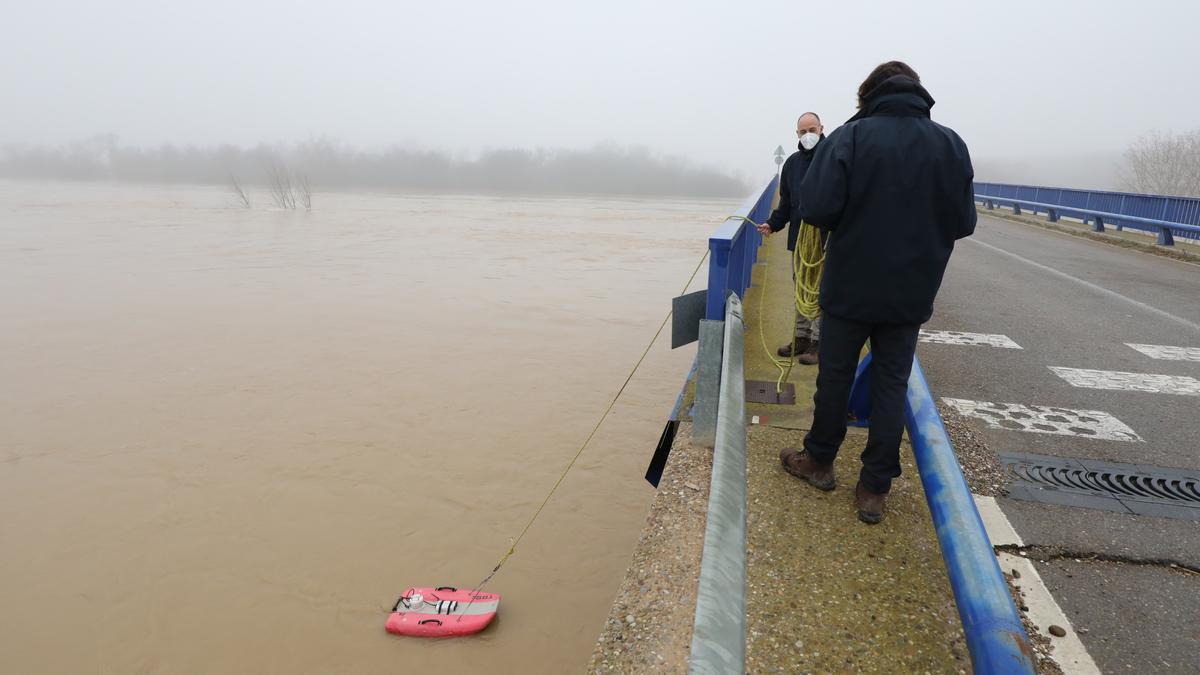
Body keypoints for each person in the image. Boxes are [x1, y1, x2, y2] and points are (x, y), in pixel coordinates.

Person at [779, 61, 976, 524]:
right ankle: (873, 489)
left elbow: (816, 206)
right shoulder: (950, 144)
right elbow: (963, 222)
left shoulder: (850, 138)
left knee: (836, 376)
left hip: (850, 285)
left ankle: (820, 461)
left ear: (866, 96)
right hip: (911, 291)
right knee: (892, 384)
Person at [756, 112, 825, 365]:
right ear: (796, 134)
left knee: (820, 291)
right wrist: (772, 224)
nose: (808, 135)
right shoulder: (793, 164)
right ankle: (801, 338)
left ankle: (819, 343)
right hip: (799, 240)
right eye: (802, 131)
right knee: (801, 290)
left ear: (821, 129)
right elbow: (786, 201)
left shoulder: (832, 157)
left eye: (812, 130)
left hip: (824, 240)